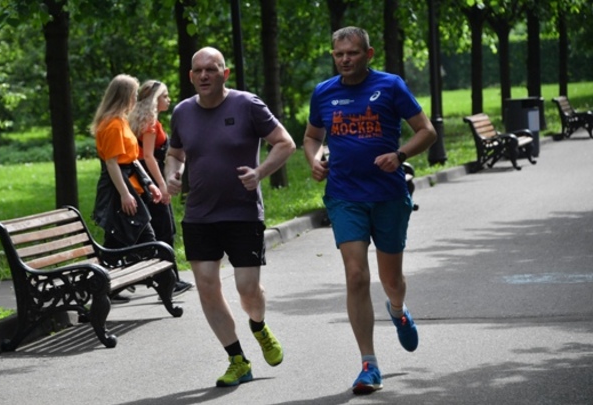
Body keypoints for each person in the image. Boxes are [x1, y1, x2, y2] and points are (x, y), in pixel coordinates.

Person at [303, 27, 437, 395]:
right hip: (345, 196)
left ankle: (397, 309)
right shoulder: (324, 92)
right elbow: (313, 136)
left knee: (391, 280)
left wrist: (400, 155)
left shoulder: (391, 86)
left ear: (369, 53)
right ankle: (369, 364)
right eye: (338, 54)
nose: (345, 59)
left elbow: (426, 131)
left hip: (388, 195)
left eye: (352, 53)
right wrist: (314, 159)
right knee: (356, 276)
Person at [165, 47, 296, 388]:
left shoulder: (247, 104)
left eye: (212, 69)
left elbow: (285, 143)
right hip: (199, 214)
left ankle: (258, 325)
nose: (204, 75)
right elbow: (175, 153)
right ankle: (237, 360)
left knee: (247, 290)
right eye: (198, 71)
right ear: (191, 76)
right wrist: (173, 174)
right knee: (207, 289)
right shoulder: (181, 112)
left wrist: (260, 172)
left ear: (225, 74)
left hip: (242, 212)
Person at [90, 74, 163, 302]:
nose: (135, 98)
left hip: (129, 183)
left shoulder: (120, 121)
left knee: (117, 238)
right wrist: (125, 194)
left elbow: (131, 160)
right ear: (125, 96)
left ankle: (106, 287)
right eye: (133, 93)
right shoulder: (112, 125)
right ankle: (165, 283)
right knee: (145, 235)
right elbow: (112, 164)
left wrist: (148, 183)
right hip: (119, 188)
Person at [129, 79, 193, 295]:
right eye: (165, 96)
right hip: (151, 183)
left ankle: (167, 278)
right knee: (166, 230)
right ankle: (169, 282)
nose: (169, 99)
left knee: (159, 230)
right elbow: (148, 156)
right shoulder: (150, 122)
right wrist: (162, 185)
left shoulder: (137, 119)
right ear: (155, 99)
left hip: (142, 183)